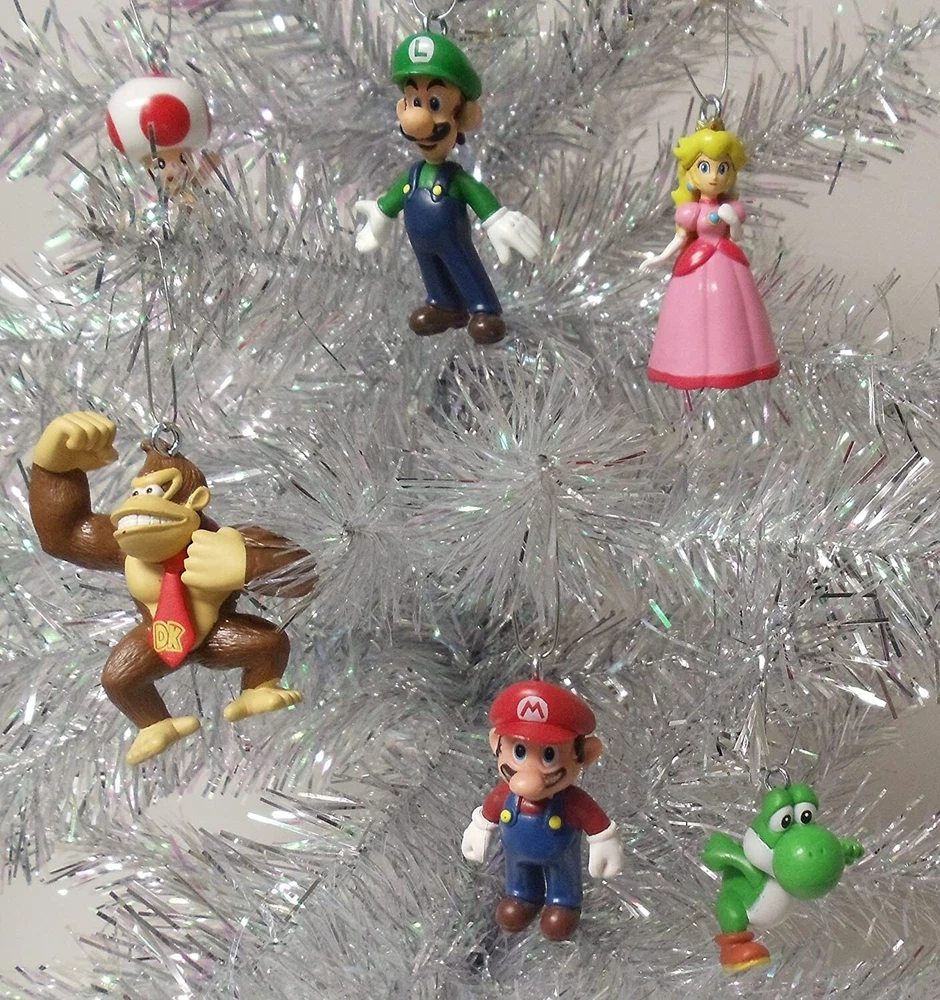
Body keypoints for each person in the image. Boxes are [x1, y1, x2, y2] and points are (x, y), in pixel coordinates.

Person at [640, 118, 779, 390]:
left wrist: (733, 221)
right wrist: (660, 258)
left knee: (732, 310)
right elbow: (680, 238)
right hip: (697, 262)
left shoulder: (732, 208)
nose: (714, 176)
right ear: (692, 174)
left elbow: (737, 236)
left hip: (727, 261)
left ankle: (734, 361)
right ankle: (690, 363)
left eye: (722, 168)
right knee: (692, 314)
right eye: (705, 168)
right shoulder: (691, 212)